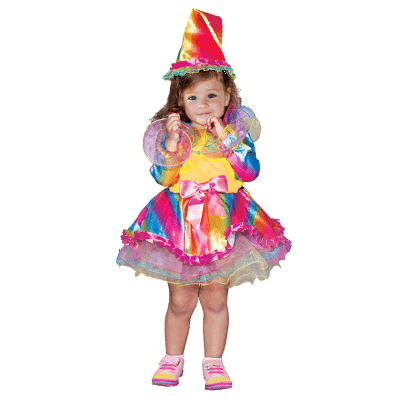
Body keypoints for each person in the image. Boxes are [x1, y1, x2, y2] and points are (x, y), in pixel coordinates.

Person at [116, 8, 292, 391]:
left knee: (215, 299)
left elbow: (250, 171)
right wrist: (171, 144)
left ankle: (213, 361)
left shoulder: (235, 132)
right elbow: (163, 179)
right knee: (180, 300)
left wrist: (226, 138)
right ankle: (171, 358)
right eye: (193, 97)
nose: (204, 104)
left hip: (224, 223)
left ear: (227, 95)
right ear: (180, 102)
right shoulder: (175, 134)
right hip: (181, 224)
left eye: (212, 95)